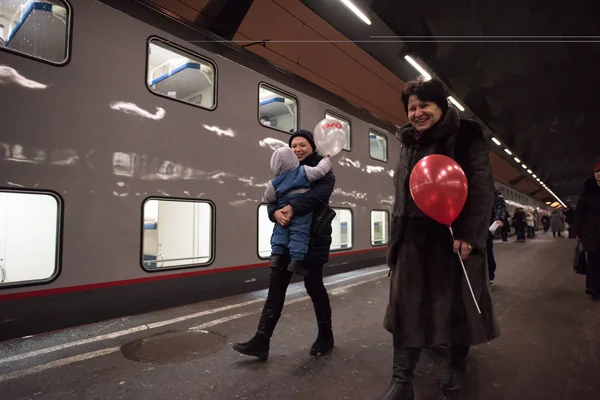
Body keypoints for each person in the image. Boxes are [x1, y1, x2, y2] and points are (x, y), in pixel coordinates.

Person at [383, 78, 499, 400]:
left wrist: (469, 235)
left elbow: (480, 187)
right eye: (412, 108)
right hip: (413, 237)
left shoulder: (466, 136)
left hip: (453, 236)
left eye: (424, 106)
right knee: (406, 305)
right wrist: (396, 240)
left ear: (441, 106)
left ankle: (458, 363)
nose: (417, 113)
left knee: (456, 305)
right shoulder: (408, 140)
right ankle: (401, 381)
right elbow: (404, 195)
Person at [233, 129, 336, 360]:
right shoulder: (285, 170)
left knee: (314, 288)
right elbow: (274, 198)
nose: (298, 149)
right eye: (294, 146)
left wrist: (293, 208)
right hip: (286, 239)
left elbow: (319, 196)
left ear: (313, 147)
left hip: (312, 239)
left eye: (303, 145)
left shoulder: (321, 171)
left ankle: (326, 335)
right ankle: (261, 340)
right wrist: (275, 212)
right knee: (276, 289)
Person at [264, 147, 332, 276]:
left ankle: (275, 258)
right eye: (294, 146)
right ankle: (296, 261)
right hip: (301, 213)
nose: (297, 149)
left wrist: (277, 209)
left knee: (280, 232)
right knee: (300, 233)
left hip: (282, 210)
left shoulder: (273, 182)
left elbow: (269, 198)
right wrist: (327, 160)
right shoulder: (302, 171)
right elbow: (320, 171)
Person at [574, 162, 600, 299]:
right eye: (597, 172)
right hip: (591, 230)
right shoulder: (588, 188)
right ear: (594, 173)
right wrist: (577, 230)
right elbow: (580, 210)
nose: (599, 174)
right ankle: (593, 288)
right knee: (593, 260)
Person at [487, 189, 507, 287]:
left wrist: (499, 218)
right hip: (475, 227)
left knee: (487, 252)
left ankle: (490, 276)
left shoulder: (494, 194)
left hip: (485, 228)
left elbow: (500, 207)